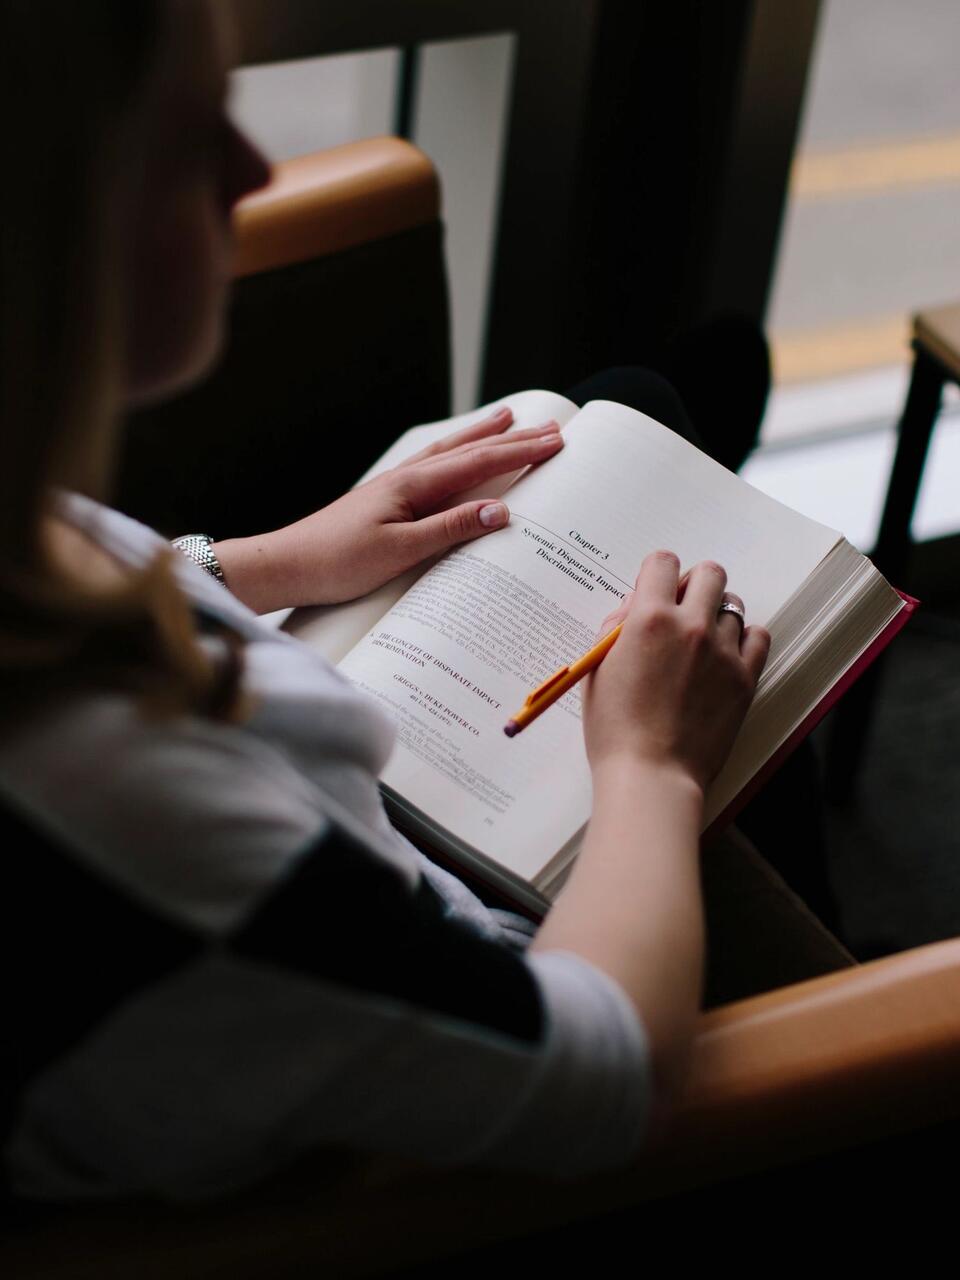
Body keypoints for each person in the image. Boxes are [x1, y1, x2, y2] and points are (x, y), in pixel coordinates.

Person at [0, 0, 773, 1200]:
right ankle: (825, 945)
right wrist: (650, 768)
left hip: (333, 822)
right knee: (728, 627)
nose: (255, 170)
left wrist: (267, 563)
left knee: (637, 404)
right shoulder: (127, 832)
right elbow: (599, 1075)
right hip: (500, 993)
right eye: (189, 131)